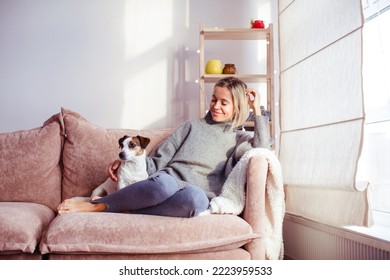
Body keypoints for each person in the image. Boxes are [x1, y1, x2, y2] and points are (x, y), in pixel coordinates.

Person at [57, 77, 271, 217]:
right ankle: (98, 205)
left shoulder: (240, 140)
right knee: (163, 185)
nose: (215, 106)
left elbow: (262, 150)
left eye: (224, 103)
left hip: (193, 193)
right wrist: (127, 159)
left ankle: (128, 206)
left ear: (237, 107)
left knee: (196, 202)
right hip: (164, 183)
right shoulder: (191, 126)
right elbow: (157, 160)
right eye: (214, 99)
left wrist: (258, 110)